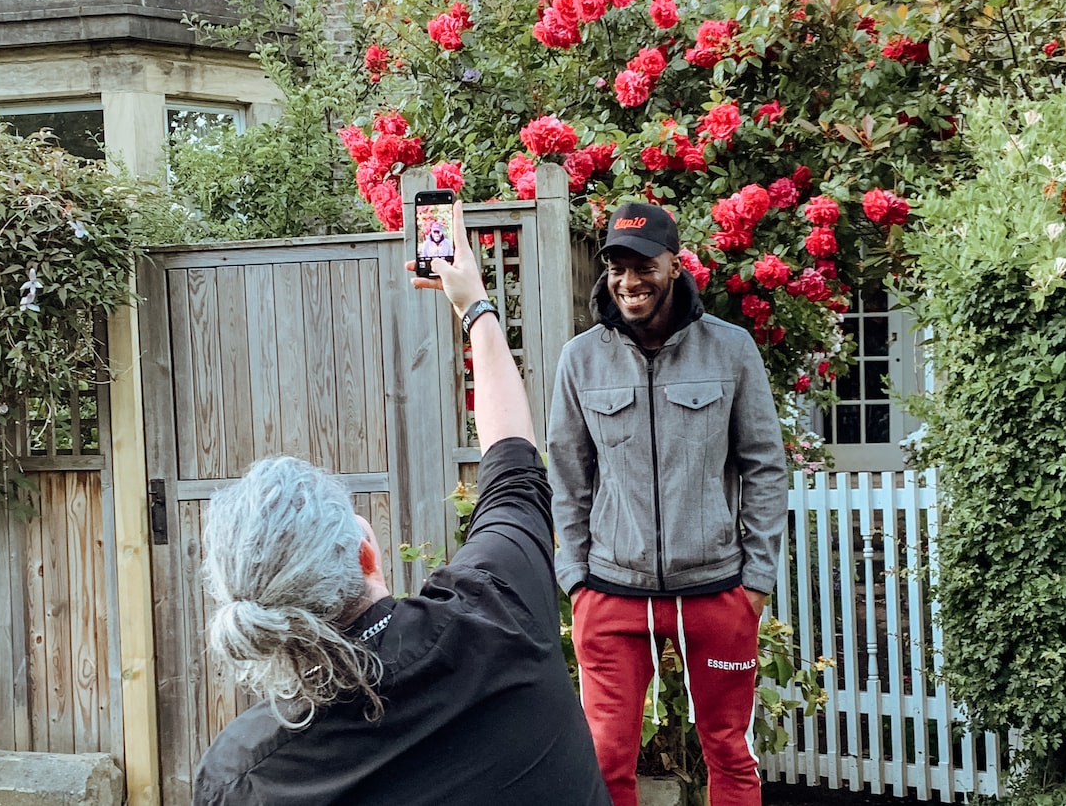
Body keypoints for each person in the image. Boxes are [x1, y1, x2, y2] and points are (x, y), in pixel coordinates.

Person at [193, 203, 608, 806]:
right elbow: (514, 469)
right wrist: (475, 308)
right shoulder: (499, 609)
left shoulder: (244, 775)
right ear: (365, 551)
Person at [548, 200, 789, 806]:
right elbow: (569, 478)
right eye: (616, 268)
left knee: (730, 753)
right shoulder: (581, 360)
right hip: (611, 596)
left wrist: (755, 579)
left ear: (674, 266)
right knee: (604, 760)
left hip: (716, 594)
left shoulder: (730, 351)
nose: (628, 282)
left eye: (643, 266)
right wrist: (576, 578)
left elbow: (763, 465)